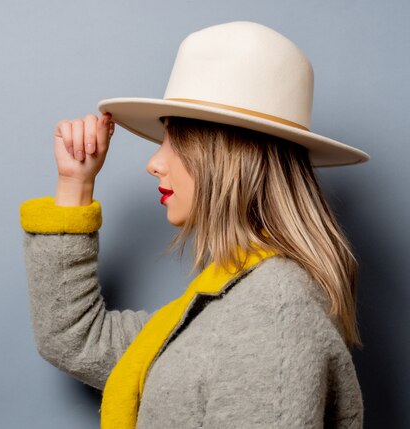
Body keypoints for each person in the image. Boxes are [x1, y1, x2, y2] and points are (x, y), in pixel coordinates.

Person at [20, 21, 368, 428]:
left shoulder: (272, 312)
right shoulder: (231, 297)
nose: (155, 162)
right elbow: (77, 339)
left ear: (231, 155)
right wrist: (74, 185)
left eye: (176, 139)